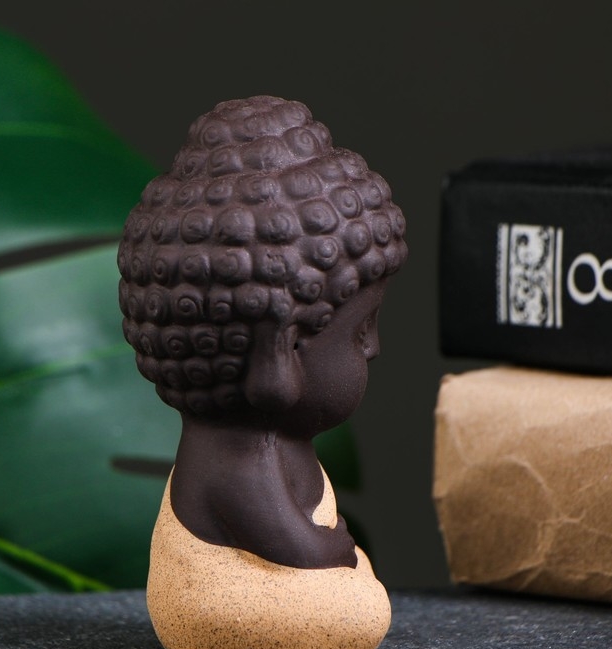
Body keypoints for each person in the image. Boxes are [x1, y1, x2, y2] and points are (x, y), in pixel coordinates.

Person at [118, 95, 407, 571]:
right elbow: (300, 549)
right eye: (359, 330)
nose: (374, 348)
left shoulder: (273, 452)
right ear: (277, 358)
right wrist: (330, 550)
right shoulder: (238, 462)